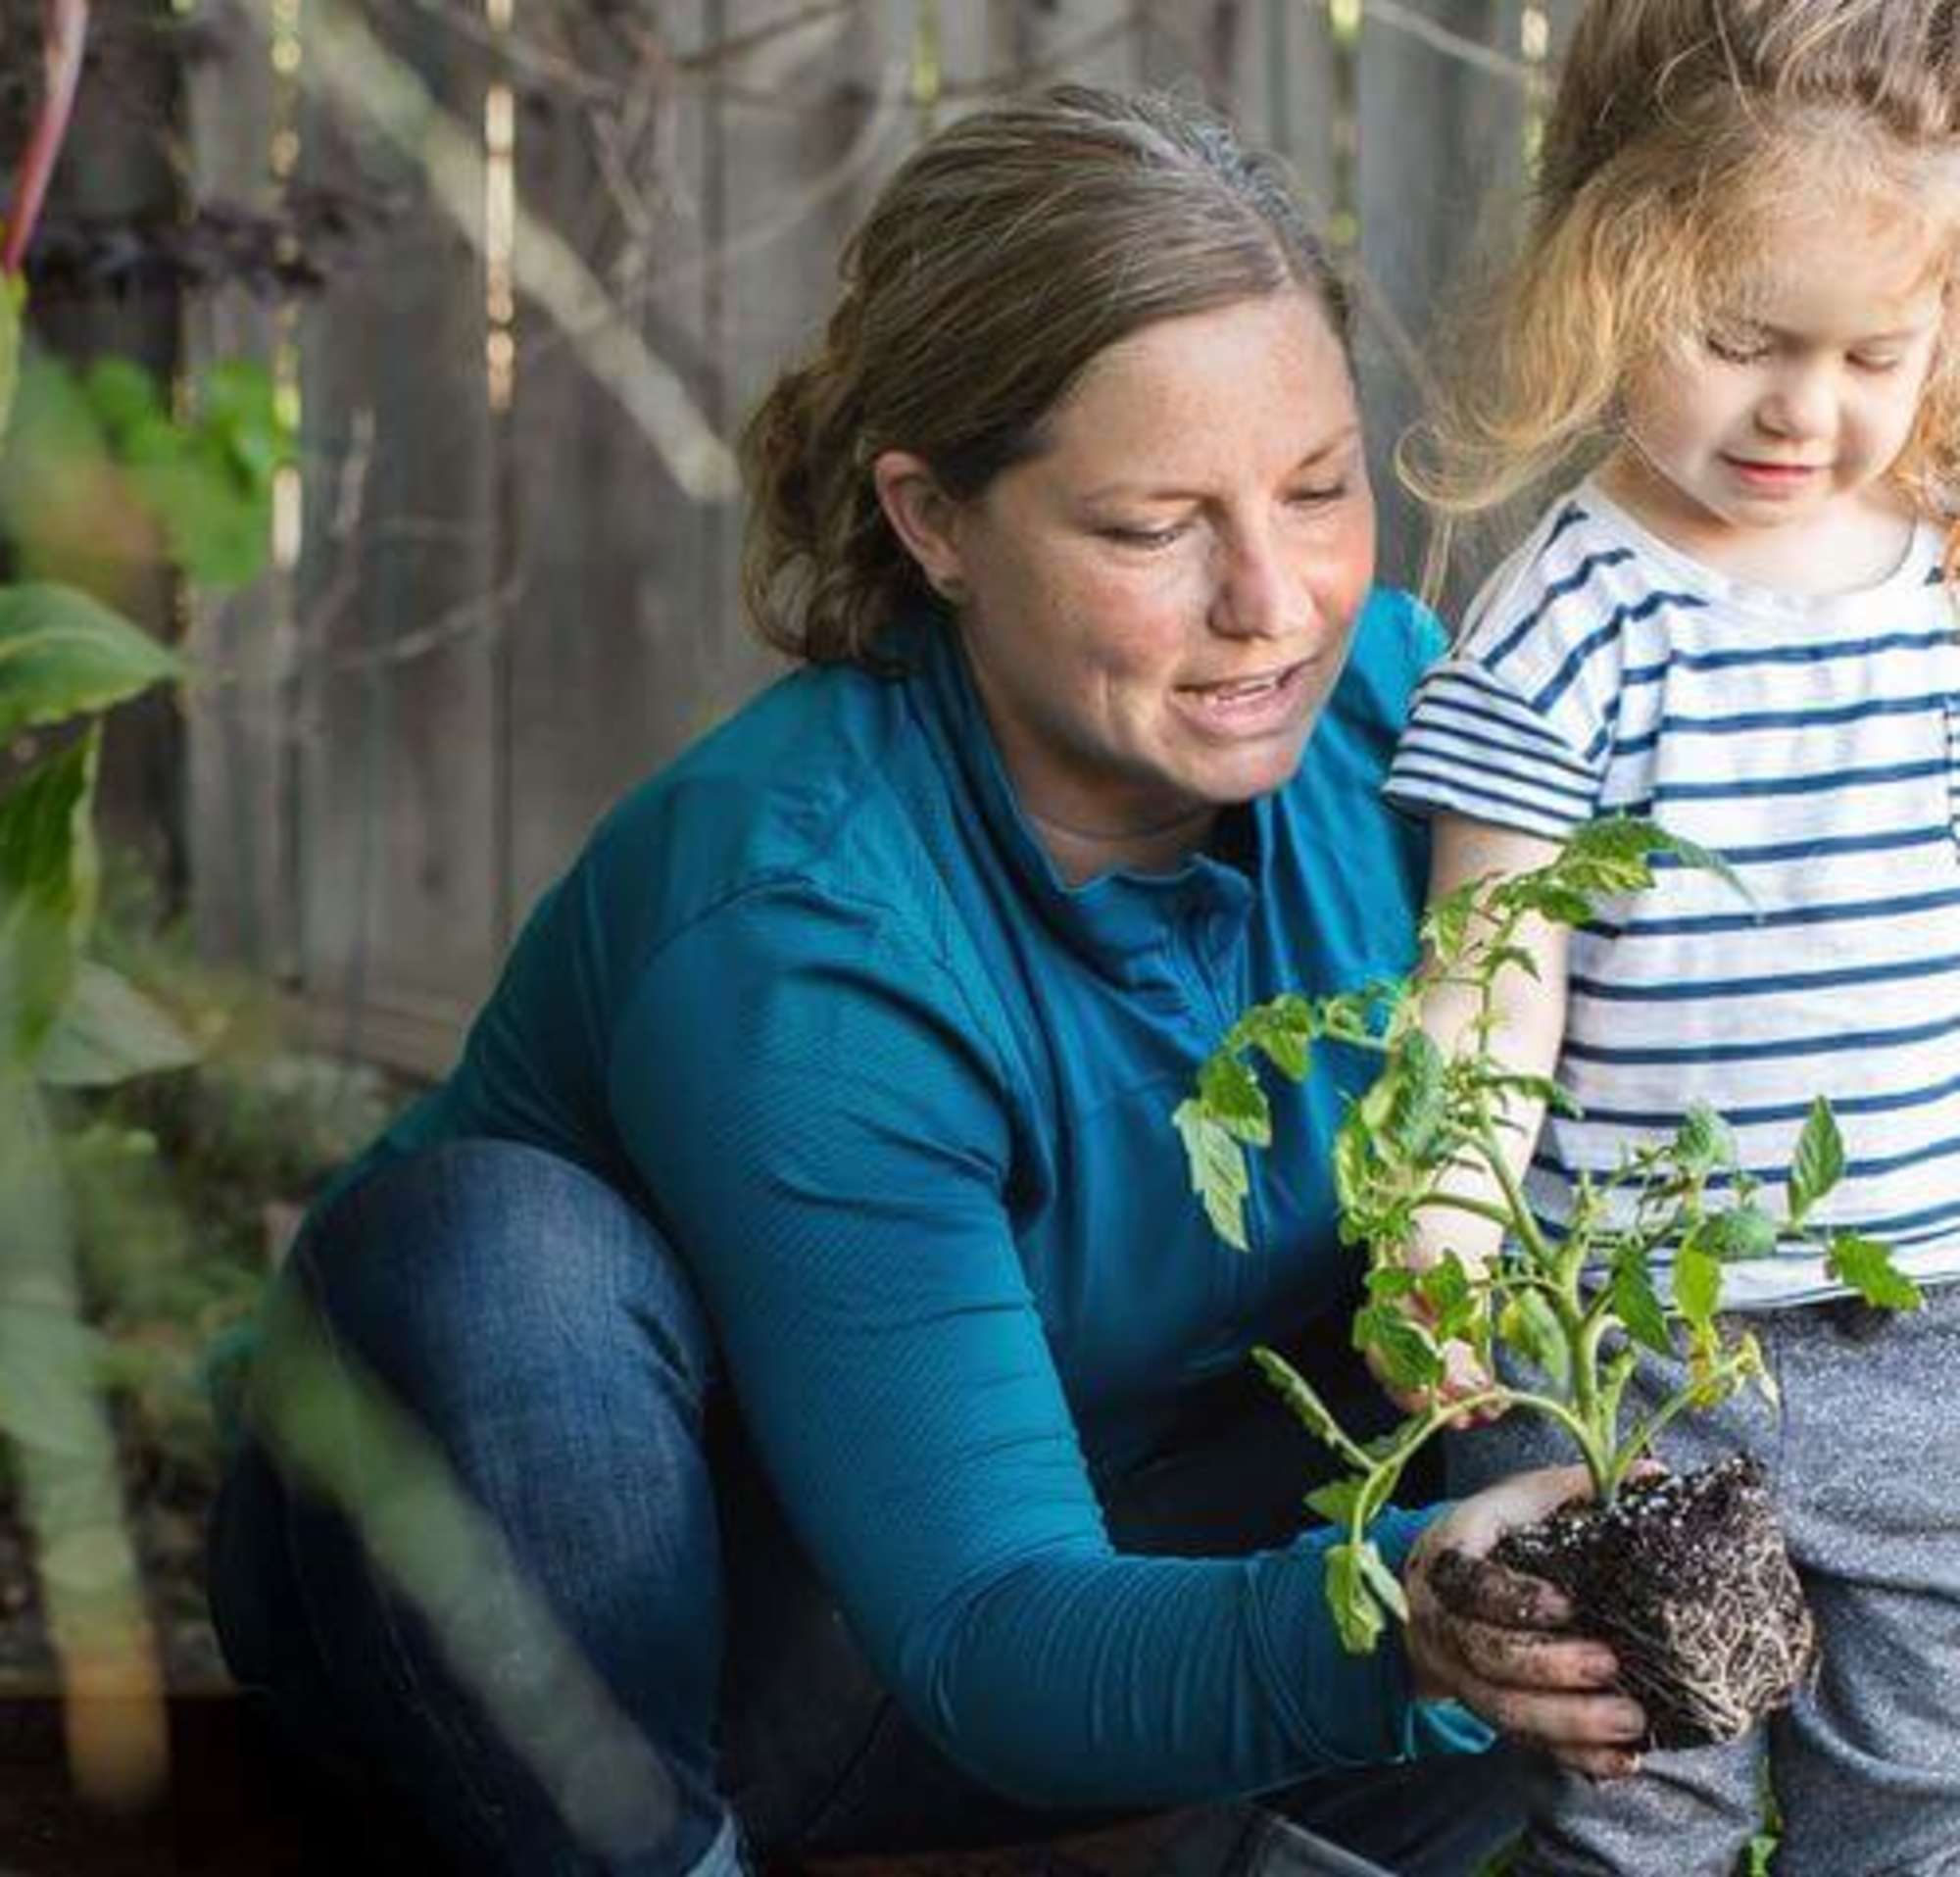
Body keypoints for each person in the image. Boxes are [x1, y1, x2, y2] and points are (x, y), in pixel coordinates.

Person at [207, 85, 1646, 1877]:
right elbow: (978, 1625)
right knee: (496, 1256)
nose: (1273, 599)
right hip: (656, 1641)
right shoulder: (805, 924)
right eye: (1151, 528)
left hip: (1087, 1577)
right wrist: (1390, 1631)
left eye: (1319, 487)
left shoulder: (1407, 726)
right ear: (936, 520)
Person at [1377, 4, 1960, 1872]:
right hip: (1635, 1356)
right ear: (1610, 281)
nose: (1809, 412)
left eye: (1880, 350)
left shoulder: (1942, 577)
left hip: (1931, 1332)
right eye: (1741, 343)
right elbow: (1487, 973)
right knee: (1637, 1798)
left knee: (1921, 1793)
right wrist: (1444, 1233)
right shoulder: (1574, 624)